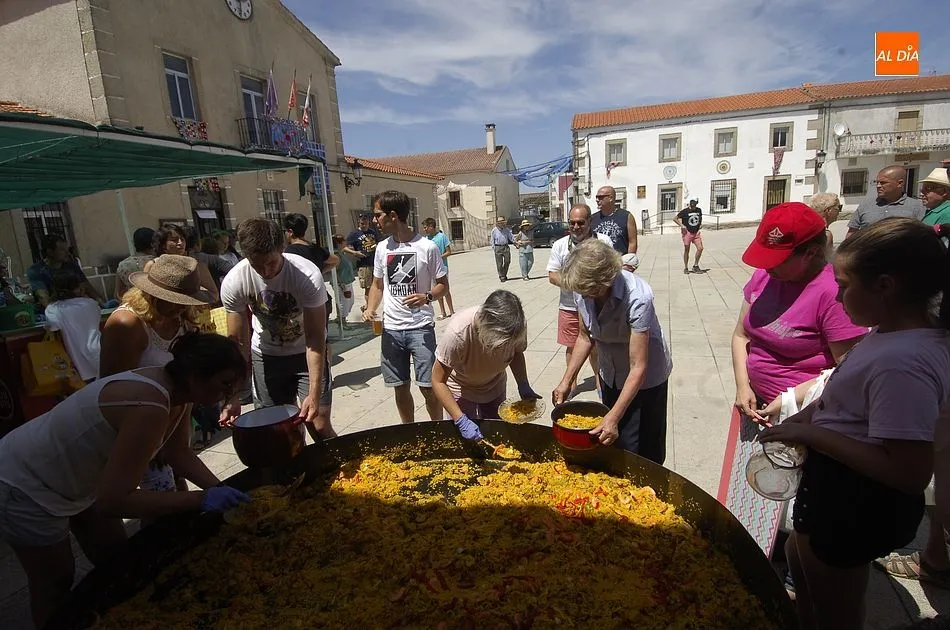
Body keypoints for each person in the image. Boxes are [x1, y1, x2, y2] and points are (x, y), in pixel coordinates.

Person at [759, 217, 950, 630]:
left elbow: (909, 471)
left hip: (854, 503)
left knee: (835, 611)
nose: (837, 296)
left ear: (885, 285)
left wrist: (812, 433)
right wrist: (806, 413)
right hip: (832, 492)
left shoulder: (904, 364)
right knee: (800, 563)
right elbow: (844, 387)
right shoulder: (887, 333)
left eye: (845, 286)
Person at [0, 332, 250, 629]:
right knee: (55, 580)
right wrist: (200, 499)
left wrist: (218, 488)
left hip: (81, 481)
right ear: (196, 376)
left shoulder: (178, 392)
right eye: (225, 383)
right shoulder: (149, 404)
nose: (229, 391)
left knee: (116, 557)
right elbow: (114, 501)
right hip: (24, 481)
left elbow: (177, 451)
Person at [732, 202, 867, 422]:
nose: (767, 267)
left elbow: (850, 370)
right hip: (755, 402)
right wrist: (742, 385)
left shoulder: (833, 293)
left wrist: (790, 399)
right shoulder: (764, 278)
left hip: (804, 413)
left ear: (811, 253)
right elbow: (741, 335)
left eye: (777, 260)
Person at [552, 238, 672, 463]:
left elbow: (639, 367)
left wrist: (614, 417)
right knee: (611, 441)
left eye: (587, 291)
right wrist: (567, 380)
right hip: (611, 371)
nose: (582, 295)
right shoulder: (584, 289)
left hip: (644, 379)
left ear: (604, 282)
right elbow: (585, 336)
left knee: (642, 448)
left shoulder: (638, 297)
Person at [219, 218, 334, 440]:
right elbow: (237, 342)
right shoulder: (235, 280)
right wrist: (232, 396)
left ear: (281, 248)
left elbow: (315, 338)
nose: (265, 271)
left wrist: (313, 393)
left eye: (271, 263)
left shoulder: (306, 275)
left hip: (305, 352)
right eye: (257, 265)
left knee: (317, 425)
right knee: (277, 430)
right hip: (267, 355)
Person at [101, 254, 213, 476]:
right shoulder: (127, 324)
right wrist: (149, 441)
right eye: (174, 300)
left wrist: (173, 439)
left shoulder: (183, 322)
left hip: (168, 427)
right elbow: (112, 391)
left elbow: (183, 387)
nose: (180, 308)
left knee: (177, 484)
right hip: (131, 431)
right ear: (152, 294)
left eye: (185, 301)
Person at [362, 190, 448, 423]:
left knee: (429, 387)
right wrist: (371, 308)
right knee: (399, 387)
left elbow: (443, 286)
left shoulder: (427, 247)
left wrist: (427, 297)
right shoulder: (382, 248)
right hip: (391, 330)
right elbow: (378, 284)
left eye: (377, 215)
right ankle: (408, 431)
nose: (374, 220)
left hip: (420, 328)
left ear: (392, 215)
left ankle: (436, 430)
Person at [432, 290, 541, 441]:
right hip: (462, 389)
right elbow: (437, 381)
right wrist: (460, 419)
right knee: (465, 442)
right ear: (487, 327)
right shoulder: (458, 333)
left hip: (494, 385)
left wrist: (523, 384)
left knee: (496, 435)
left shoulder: (516, 326)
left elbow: (516, 353)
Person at [547, 203, 611, 398]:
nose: (576, 227)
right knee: (571, 345)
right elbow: (552, 275)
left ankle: (600, 382)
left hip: (598, 305)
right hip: (568, 306)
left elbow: (611, 271)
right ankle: (572, 383)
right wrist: (576, 284)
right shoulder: (560, 245)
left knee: (596, 346)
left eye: (580, 223)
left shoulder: (604, 242)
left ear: (590, 222)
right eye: (572, 223)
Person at [43, 269, 102, 382]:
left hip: (76, 362)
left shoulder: (54, 309)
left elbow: (53, 326)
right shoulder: (91, 303)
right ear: (79, 287)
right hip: (99, 352)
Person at [28, 233, 105, 311]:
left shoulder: (72, 266)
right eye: (62, 250)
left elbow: (87, 287)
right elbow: (42, 296)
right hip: (52, 312)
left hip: (75, 309)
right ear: (50, 252)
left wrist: (103, 305)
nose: (67, 253)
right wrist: (54, 314)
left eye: (67, 249)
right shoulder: (37, 270)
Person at [147, 224, 219, 304]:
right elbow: (145, 294)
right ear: (163, 245)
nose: (180, 243)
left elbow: (214, 295)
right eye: (174, 240)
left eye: (182, 239)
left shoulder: (195, 265)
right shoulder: (153, 265)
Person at [846, 165, 925, 236]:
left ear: (900, 183)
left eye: (883, 183)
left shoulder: (917, 208)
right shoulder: (866, 205)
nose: (878, 186)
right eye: (877, 182)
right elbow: (852, 232)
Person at [421, 218, 455, 319]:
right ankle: (442, 312)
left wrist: (439, 257)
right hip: (431, 270)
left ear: (431, 226)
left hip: (443, 268)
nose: (424, 230)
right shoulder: (426, 240)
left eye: (426, 227)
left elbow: (449, 251)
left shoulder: (442, 237)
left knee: (446, 290)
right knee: (437, 290)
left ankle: (452, 311)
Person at [590, 185, 638, 254]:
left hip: (620, 261)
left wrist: (628, 261)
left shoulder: (626, 216)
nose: (597, 200)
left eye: (600, 197)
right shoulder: (593, 218)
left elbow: (632, 242)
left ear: (610, 198)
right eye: (596, 197)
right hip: (600, 261)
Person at [344, 213, 380, 305]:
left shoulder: (372, 232)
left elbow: (378, 244)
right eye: (362, 223)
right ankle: (369, 308)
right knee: (368, 288)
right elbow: (344, 247)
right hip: (364, 265)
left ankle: (367, 307)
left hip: (374, 263)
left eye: (366, 223)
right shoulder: (354, 234)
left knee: (375, 287)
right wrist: (354, 253)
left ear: (368, 222)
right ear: (359, 223)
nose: (364, 225)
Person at [114, 227, 155, 300]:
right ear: (154, 242)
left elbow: (118, 294)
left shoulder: (123, 265)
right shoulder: (157, 261)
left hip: (134, 304)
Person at [675, 198, 704, 274]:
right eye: (692, 206)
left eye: (695, 205)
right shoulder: (685, 211)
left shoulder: (699, 210)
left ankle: (695, 265)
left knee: (700, 248)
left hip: (696, 233)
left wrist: (700, 224)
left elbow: (700, 218)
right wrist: (681, 225)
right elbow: (675, 218)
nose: (694, 207)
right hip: (687, 233)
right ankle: (686, 267)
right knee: (687, 250)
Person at [332, 234, 357, 323]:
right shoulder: (336, 255)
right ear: (339, 243)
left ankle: (341, 319)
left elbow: (345, 249)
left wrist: (354, 253)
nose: (346, 242)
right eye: (344, 241)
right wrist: (340, 284)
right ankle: (342, 321)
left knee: (350, 301)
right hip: (342, 283)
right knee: (344, 302)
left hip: (347, 281)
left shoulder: (340, 252)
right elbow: (334, 271)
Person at [920, 167, 950, 241]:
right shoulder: (935, 210)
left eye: (927, 189)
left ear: (944, 191)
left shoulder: (947, 213)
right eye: (921, 190)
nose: (921, 194)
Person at [489, 216, 515, 282]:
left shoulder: (507, 230)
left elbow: (511, 237)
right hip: (498, 247)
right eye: (500, 222)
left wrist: (515, 242)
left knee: (507, 261)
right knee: (499, 263)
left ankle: (504, 274)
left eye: (502, 222)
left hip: (505, 247)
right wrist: (494, 248)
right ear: (497, 223)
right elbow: (492, 240)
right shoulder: (494, 230)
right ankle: (501, 276)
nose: (501, 223)